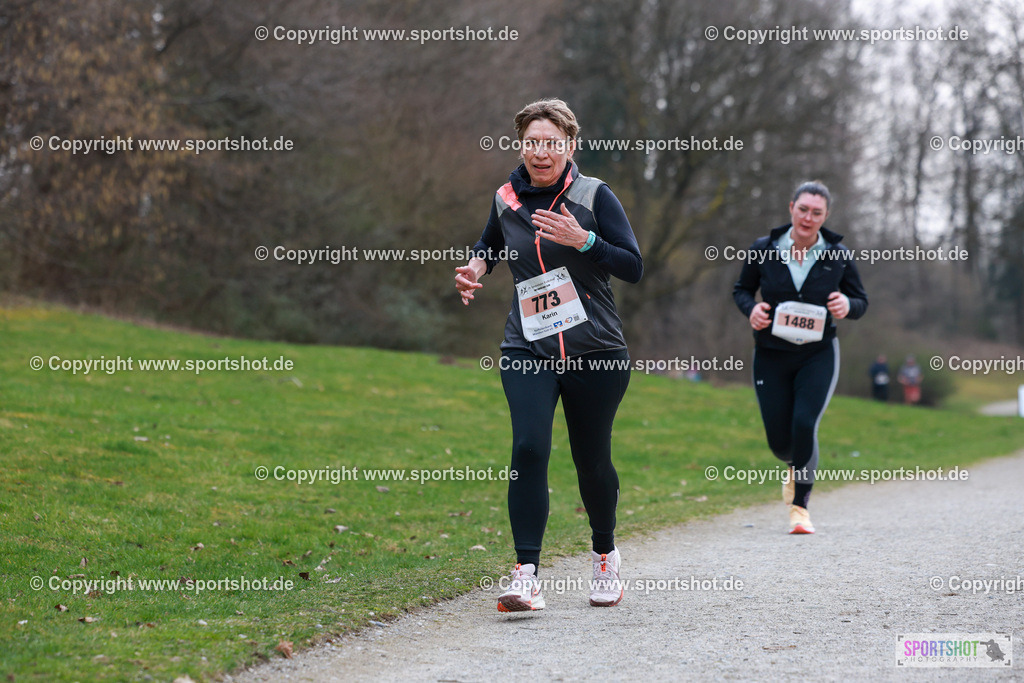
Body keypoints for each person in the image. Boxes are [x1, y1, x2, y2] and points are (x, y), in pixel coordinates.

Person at [455, 98, 642, 612]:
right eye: (532, 142)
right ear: (521, 145)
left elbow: (632, 266)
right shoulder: (506, 198)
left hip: (595, 351)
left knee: (591, 459)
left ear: (569, 146)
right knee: (529, 449)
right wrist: (475, 269)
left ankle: (605, 555)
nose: (541, 152)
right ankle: (526, 574)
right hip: (528, 346)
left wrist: (586, 242)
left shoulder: (594, 196)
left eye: (552, 143)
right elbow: (490, 244)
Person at [733, 180, 868, 534]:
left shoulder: (837, 256)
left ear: (826, 216)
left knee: (805, 423)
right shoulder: (764, 248)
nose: (808, 217)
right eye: (803, 209)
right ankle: (794, 466)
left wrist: (847, 305)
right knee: (781, 443)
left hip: (818, 354)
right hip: (771, 355)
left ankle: (800, 507)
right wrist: (753, 309)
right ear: (791, 207)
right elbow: (742, 289)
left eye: (817, 212)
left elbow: (860, 302)